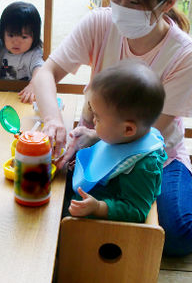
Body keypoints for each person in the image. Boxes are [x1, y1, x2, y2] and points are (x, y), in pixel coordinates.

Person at [33, 0, 192, 256]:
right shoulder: (100, 23)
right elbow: (45, 73)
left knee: (177, 235)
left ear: (167, 3)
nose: (119, 9)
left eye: (133, 2)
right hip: (98, 140)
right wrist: (53, 122)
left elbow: (146, 133)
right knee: (51, 204)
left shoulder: (185, 56)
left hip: (156, 155)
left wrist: (89, 139)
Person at [67, 60, 167, 223]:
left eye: (98, 118)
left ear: (128, 129)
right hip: (90, 197)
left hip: (106, 224)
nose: (93, 120)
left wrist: (98, 207)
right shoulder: (122, 137)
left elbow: (136, 210)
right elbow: (106, 156)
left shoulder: (143, 166)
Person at [0, 1, 44, 103]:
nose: (16, 42)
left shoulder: (34, 53)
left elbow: (40, 70)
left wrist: (33, 85)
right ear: (2, 33)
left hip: (23, 98)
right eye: (11, 35)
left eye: (24, 37)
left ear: (34, 37)